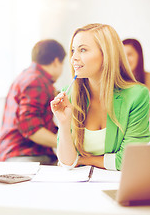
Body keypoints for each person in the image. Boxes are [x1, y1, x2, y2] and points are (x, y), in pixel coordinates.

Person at [51, 24, 150, 171]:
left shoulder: (137, 96)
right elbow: (67, 163)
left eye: (83, 50)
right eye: (73, 50)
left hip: (116, 186)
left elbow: (129, 160)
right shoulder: (69, 94)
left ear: (107, 54)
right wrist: (64, 125)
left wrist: (85, 160)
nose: (73, 59)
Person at [0, 39, 66, 164]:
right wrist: (68, 145)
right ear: (56, 61)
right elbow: (32, 130)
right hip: (24, 155)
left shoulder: (26, 76)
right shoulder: (37, 81)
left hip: (12, 154)